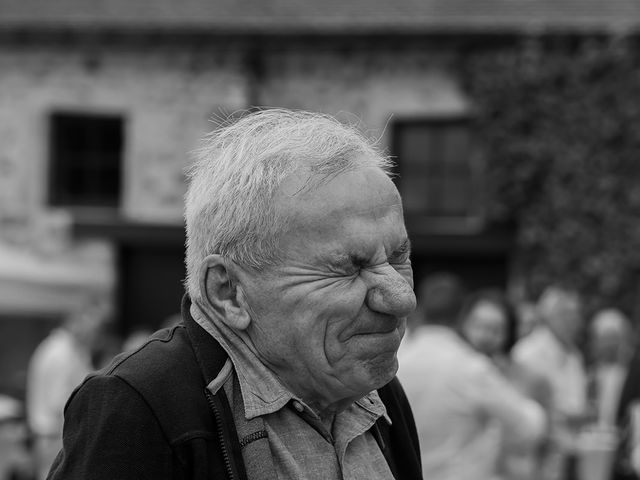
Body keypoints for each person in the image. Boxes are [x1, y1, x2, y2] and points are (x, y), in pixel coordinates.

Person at [47, 109, 422, 479]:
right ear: (228, 292)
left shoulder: (376, 390)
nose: (401, 298)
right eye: (350, 267)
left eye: (398, 256)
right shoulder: (139, 407)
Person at [397, 274, 545, 480]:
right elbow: (529, 426)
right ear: (462, 317)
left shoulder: (397, 360)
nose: (485, 336)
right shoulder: (472, 367)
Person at [459, 289, 551, 480]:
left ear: (509, 334)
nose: (484, 336)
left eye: (495, 330)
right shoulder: (451, 369)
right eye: (478, 326)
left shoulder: (528, 376)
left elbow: (541, 436)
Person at [26, 293, 111, 480]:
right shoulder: (61, 353)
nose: (97, 333)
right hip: (54, 441)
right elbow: (61, 404)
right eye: (95, 325)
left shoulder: (71, 350)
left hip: (57, 440)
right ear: (78, 318)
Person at [512, 286, 589, 480]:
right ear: (548, 317)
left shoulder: (574, 354)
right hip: (538, 456)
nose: (575, 321)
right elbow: (520, 408)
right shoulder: (527, 353)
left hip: (572, 452)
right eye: (566, 314)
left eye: (576, 314)